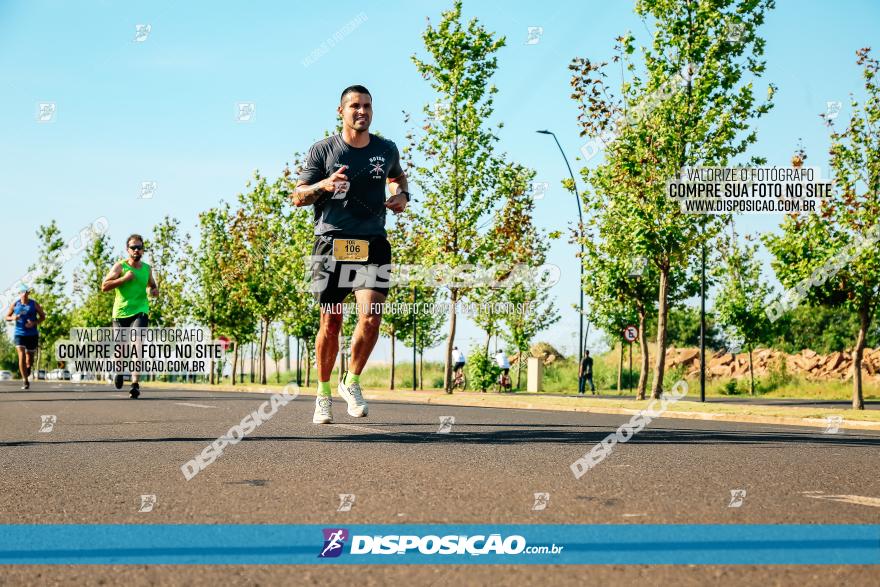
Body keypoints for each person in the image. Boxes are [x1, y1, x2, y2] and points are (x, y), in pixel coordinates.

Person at [293, 85, 409, 424]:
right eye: (355, 106)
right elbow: (298, 196)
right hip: (332, 243)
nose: (362, 111)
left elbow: (397, 177)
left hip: (372, 242)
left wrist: (402, 195)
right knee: (331, 322)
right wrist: (323, 186)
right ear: (340, 111)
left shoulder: (386, 149)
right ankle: (323, 393)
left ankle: (352, 380)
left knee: (371, 317)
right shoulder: (323, 150)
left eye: (368, 106)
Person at [101, 234, 159, 399]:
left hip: (140, 311)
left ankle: (134, 384)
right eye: (133, 247)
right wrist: (124, 279)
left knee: (137, 344)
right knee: (121, 347)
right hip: (120, 313)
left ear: (143, 249)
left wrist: (154, 290)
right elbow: (104, 286)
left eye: (139, 247)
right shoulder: (120, 267)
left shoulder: (147, 268)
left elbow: (152, 284)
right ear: (127, 250)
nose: (136, 250)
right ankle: (119, 371)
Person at [5, 284, 45, 390]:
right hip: (19, 334)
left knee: (29, 360)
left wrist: (34, 323)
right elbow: (6, 317)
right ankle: (25, 381)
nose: (24, 294)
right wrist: (13, 317)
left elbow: (43, 316)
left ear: (28, 293)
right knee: (21, 356)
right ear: (19, 294)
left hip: (32, 334)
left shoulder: (34, 304)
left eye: (26, 292)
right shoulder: (15, 305)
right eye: (22, 292)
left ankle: (28, 368)